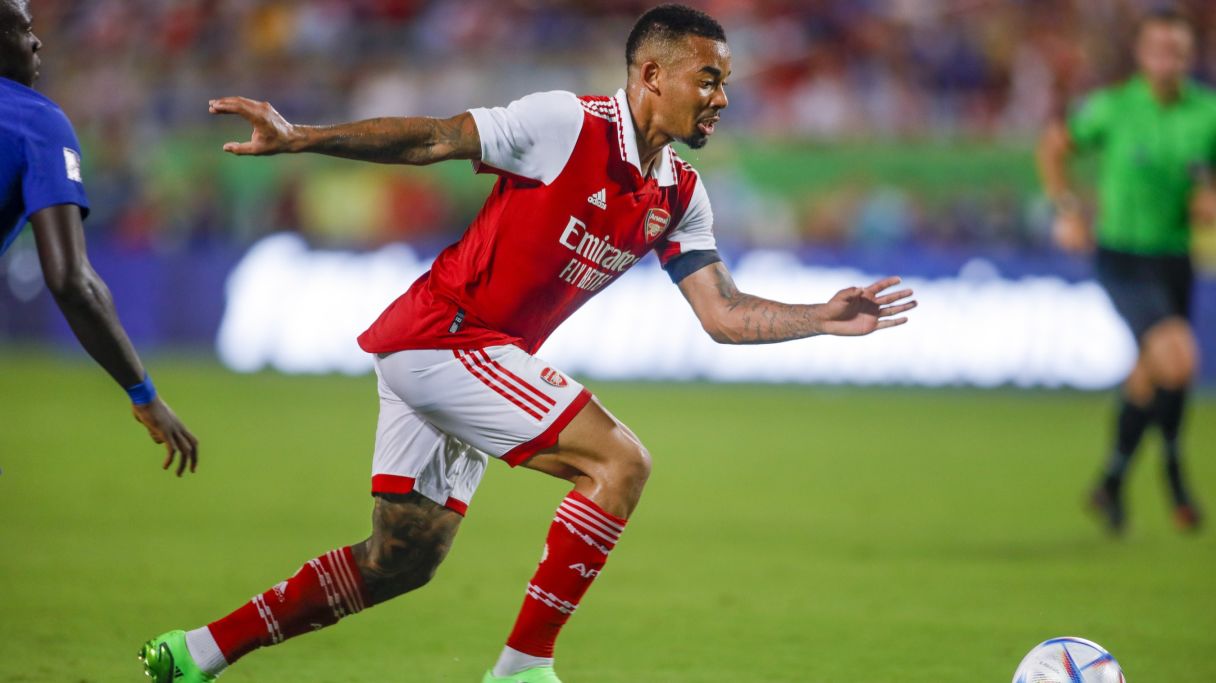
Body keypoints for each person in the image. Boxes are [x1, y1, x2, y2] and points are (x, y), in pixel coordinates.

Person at [140, 5, 915, 682]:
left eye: (725, 84)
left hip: (458, 352)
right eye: (707, 80)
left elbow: (722, 313)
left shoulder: (679, 192)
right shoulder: (565, 124)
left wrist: (820, 315)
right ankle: (522, 669)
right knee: (620, 462)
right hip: (447, 336)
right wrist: (302, 137)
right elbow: (435, 139)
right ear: (651, 75)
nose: (721, 99)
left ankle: (196, 651)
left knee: (399, 561)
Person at [0, 0, 198, 474]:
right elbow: (71, 279)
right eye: (24, 28)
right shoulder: (34, 121)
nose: (37, 41)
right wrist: (144, 392)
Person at [1037, 6, 1213, 534]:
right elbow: (1054, 146)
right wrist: (1067, 210)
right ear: (1140, 53)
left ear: (1191, 55)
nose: (1167, 59)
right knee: (1179, 359)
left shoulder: (1206, 112)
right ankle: (1175, 475)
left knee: (1150, 373)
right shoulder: (1112, 108)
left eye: (1177, 50)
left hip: (1175, 257)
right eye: (1159, 48)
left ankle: (1110, 483)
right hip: (1122, 256)